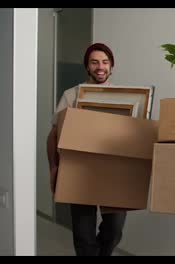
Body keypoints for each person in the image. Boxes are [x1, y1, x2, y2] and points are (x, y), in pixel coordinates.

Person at [46, 43, 126, 256]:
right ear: (87, 67)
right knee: (83, 234)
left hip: (114, 173)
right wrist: (54, 168)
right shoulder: (71, 95)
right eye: (94, 62)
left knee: (114, 230)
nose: (100, 67)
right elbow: (53, 135)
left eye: (105, 62)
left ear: (111, 66)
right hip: (78, 171)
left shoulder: (125, 96)